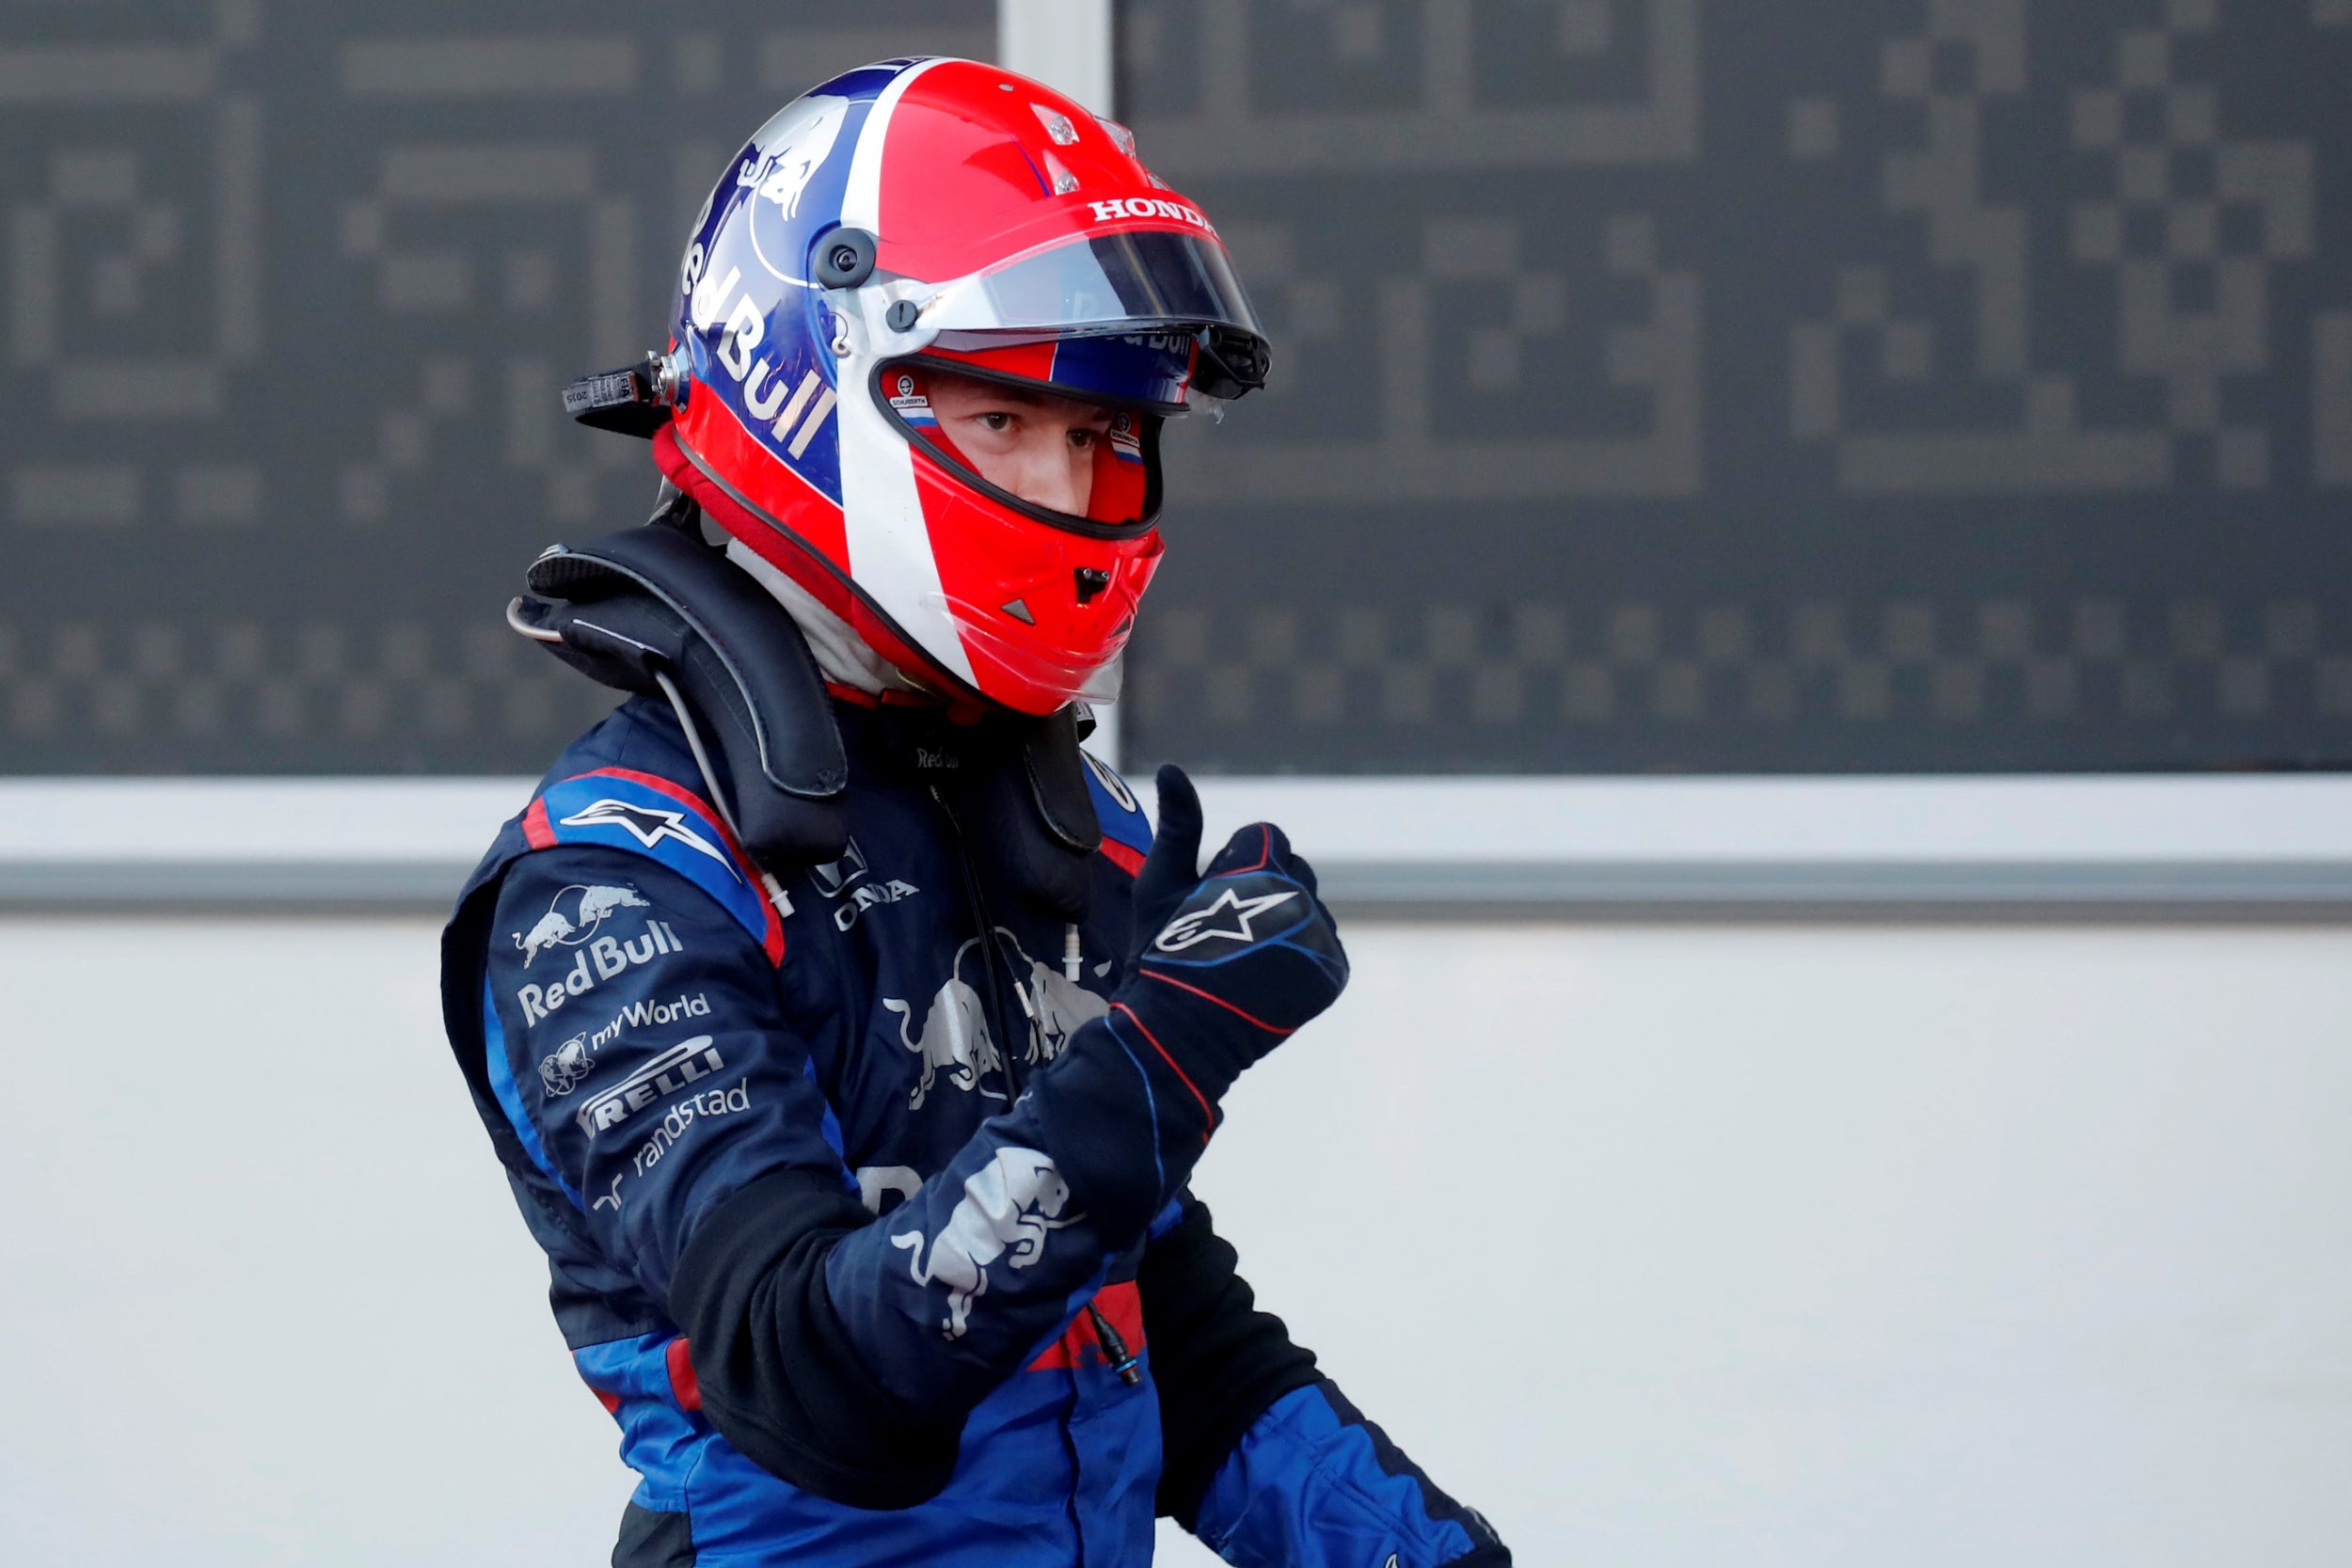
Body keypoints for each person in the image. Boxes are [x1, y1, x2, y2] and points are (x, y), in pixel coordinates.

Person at [439, 57, 1511, 1568]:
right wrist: (1159, 1058)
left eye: (1108, 438)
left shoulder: (1047, 824)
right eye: (1018, 423)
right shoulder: (620, 882)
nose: (1082, 489)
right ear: (817, 385)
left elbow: (1168, 1341)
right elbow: (813, 1386)